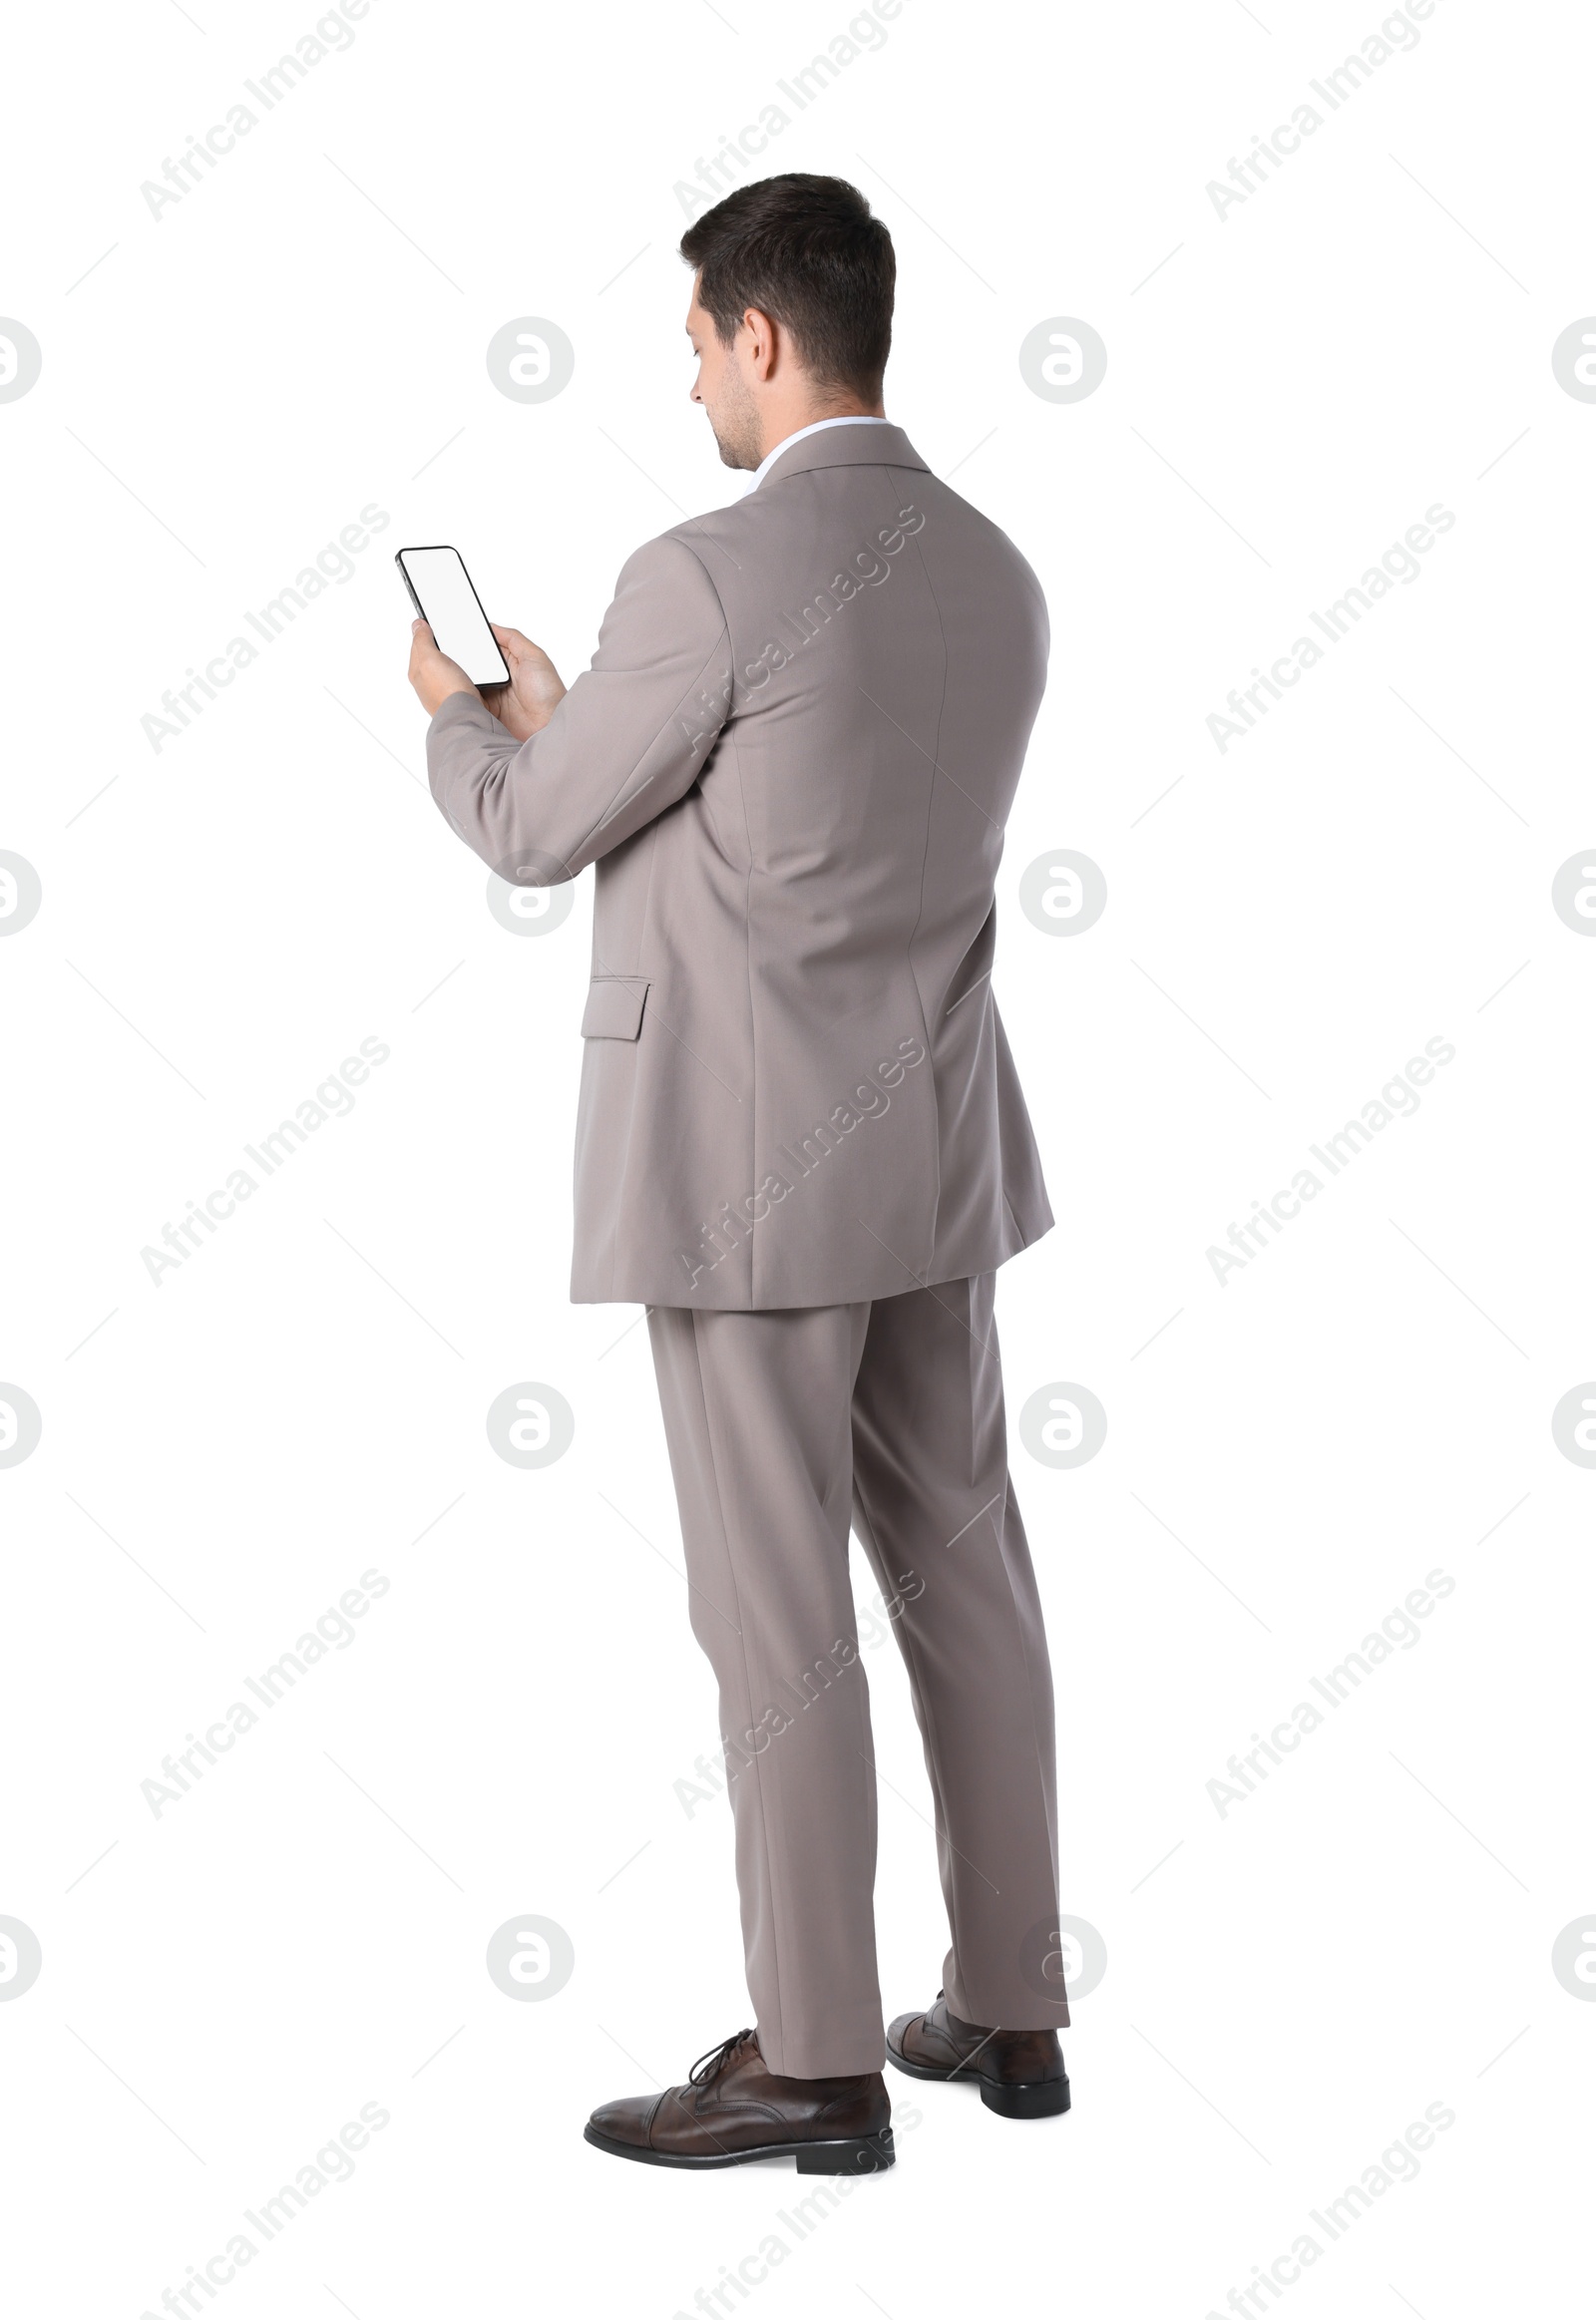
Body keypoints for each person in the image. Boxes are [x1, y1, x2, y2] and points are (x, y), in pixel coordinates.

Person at [407, 173, 1069, 2174]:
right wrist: (577, 716)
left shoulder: (704, 571)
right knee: (969, 1582)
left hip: (745, 1174)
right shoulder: (990, 566)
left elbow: (537, 826)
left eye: (696, 335)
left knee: (770, 1620)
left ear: (765, 337)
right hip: (931, 1157)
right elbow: (802, 812)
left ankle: (812, 2056)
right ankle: (1011, 2007)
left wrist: (462, 723)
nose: (684, 369)